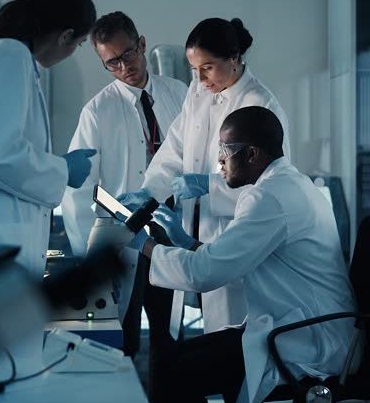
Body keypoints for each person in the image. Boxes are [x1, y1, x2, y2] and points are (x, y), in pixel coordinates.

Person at [126, 106, 356, 403]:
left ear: (251, 154)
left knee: (172, 371)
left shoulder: (269, 197)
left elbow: (204, 273)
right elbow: (229, 260)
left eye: (225, 149)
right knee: (177, 360)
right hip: (303, 326)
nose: (219, 160)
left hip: (310, 340)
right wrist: (183, 240)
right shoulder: (290, 184)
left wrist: (143, 244)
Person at [0, 0, 97, 370]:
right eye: (78, 44)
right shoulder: (8, 56)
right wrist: (63, 169)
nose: (72, 52)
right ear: (65, 36)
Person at [118, 18, 291, 336]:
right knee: (204, 328)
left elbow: (271, 184)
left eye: (207, 68)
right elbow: (175, 148)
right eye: (194, 69)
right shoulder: (199, 91)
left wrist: (209, 186)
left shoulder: (260, 104)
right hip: (195, 228)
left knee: (232, 332)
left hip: (234, 230)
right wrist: (150, 192)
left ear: (234, 58)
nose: (199, 78)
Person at [60, 11, 187, 399]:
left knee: (169, 335)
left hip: (169, 230)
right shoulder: (97, 111)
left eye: (128, 54)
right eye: (111, 62)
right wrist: (91, 260)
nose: (123, 67)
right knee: (122, 338)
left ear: (142, 44)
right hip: (120, 237)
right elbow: (77, 192)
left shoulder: (179, 94)